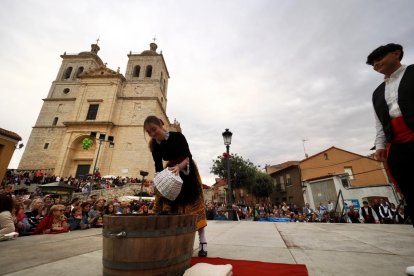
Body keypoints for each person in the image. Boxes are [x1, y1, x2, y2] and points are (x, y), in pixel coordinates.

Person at [144, 115, 208, 257]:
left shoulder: (178, 136)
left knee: (194, 206)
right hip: (170, 173)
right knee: (169, 207)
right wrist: (156, 184)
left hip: (187, 170)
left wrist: (179, 167)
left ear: (161, 124)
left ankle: (203, 243)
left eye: (154, 129)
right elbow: (158, 167)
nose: (153, 134)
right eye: (149, 132)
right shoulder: (155, 146)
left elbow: (188, 157)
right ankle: (176, 244)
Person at [367, 43, 414, 228]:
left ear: (396, 54)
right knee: (408, 189)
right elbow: (380, 121)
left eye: (379, 59)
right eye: (373, 63)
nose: (376, 65)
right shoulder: (377, 92)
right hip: (397, 144)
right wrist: (379, 145)